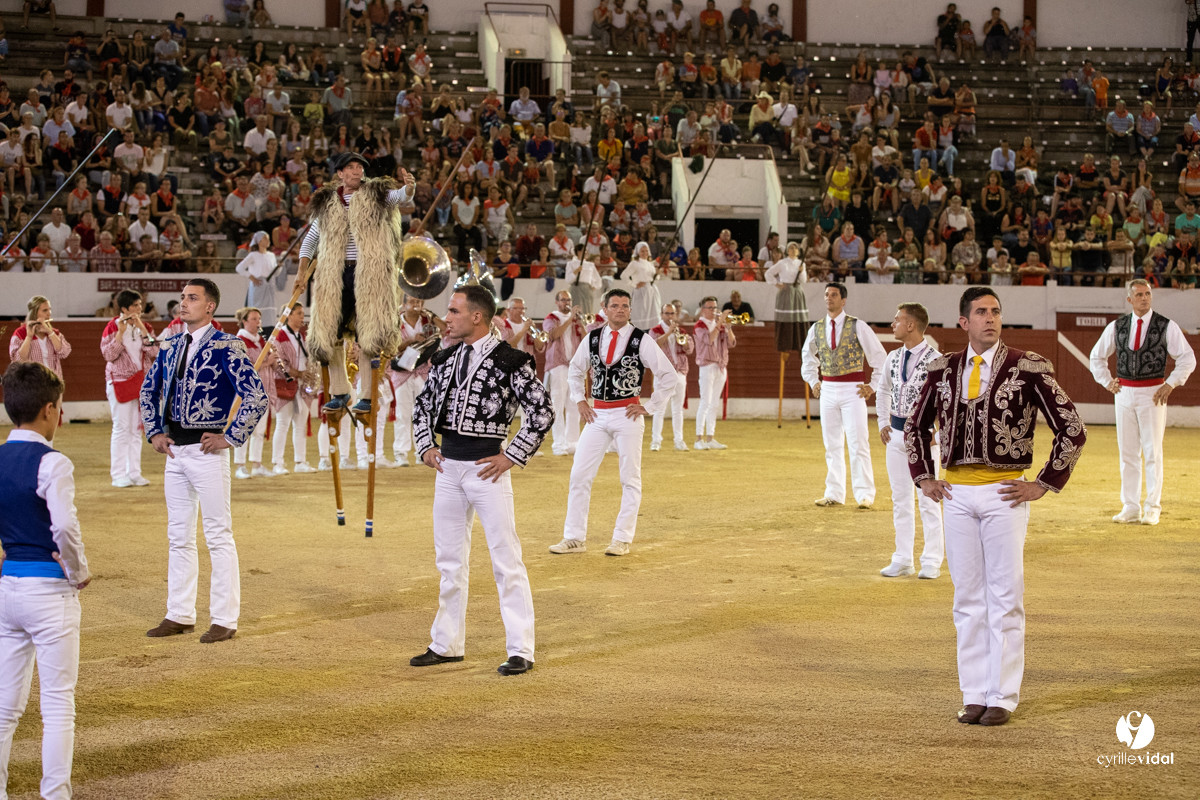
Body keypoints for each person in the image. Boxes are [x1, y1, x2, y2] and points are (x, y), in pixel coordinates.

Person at [907, 287, 1088, 727]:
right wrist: (924, 476)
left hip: (1005, 495)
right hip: (956, 496)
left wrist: (1043, 483)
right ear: (963, 322)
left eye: (996, 312)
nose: (990, 318)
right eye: (981, 312)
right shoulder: (943, 368)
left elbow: (1073, 429)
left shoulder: (1027, 367)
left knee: (1004, 596)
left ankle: (1002, 695)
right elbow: (914, 425)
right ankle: (973, 693)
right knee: (967, 598)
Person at [410, 284, 553, 676]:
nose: (447, 318)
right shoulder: (443, 357)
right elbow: (422, 405)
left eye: (454, 311)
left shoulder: (511, 360)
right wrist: (425, 445)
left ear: (477, 317)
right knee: (449, 561)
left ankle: (521, 648)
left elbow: (541, 412)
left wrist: (511, 455)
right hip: (448, 469)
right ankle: (446, 643)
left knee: (506, 561)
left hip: (487, 471)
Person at [140, 280, 267, 644]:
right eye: (182, 298)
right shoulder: (171, 345)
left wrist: (230, 436)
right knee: (178, 536)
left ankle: (225, 618)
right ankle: (179, 613)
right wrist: (154, 432)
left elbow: (255, 396)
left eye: (192, 298)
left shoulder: (227, 346)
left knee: (217, 535)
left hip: (207, 452)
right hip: (175, 453)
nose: (183, 303)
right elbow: (149, 390)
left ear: (210, 306)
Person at [0, 362, 90, 800]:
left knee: (2, 709)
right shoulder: (53, 462)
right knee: (57, 705)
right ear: (50, 410)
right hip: (50, 592)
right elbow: (64, 529)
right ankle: (55, 796)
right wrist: (78, 570)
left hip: (7, 588)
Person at [549, 289, 678, 556]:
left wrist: (650, 406)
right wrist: (580, 400)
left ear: (630, 311)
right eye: (615, 305)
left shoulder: (641, 340)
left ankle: (622, 538)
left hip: (627, 414)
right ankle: (574, 538)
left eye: (625, 306)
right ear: (604, 309)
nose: (620, 310)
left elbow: (668, 375)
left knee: (629, 477)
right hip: (596, 414)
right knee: (579, 475)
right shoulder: (593, 337)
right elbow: (575, 369)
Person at [296, 152, 413, 414]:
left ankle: (366, 396)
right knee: (331, 331)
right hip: (334, 274)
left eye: (360, 167)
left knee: (368, 334)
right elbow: (311, 237)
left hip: (368, 274)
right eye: (350, 167)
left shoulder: (375, 193)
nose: (356, 171)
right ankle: (340, 392)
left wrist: (408, 188)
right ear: (340, 173)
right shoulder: (328, 202)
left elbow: (399, 197)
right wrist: (301, 271)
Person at [1088, 279, 1196, 526]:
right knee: (1127, 452)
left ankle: (1153, 507)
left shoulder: (1166, 326)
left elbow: (1187, 358)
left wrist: (1171, 383)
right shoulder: (1118, 326)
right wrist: (1107, 382)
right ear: (1129, 300)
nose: (1144, 298)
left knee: (1152, 452)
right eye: (1139, 295)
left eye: (1147, 294)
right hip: (1124, 393)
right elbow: (1097, 356)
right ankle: (1131, 507)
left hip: (1153, 393)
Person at [801, 283, 886, 508]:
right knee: (832, 444)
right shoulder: (817, 327)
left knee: (858, 443)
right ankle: (834, 493)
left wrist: (873, 385)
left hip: (853, 390)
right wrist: (813, 381)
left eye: (834, 295)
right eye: (827, 295)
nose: (829, 298)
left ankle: (865, 495)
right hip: (828, 389)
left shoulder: (858, 326)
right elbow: (807, 356)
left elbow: (879, 358)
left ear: (843, 300)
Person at [876, 303, 943, 579]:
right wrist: (882, 422)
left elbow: (946, 400)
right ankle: (903, 558)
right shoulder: (892, 357)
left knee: (928, 500)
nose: (893, 324)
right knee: (900, 499)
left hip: (924, 439)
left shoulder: (937, 359)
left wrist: (940, 433)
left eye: (897, 320)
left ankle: (932, 560)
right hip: (895, 435)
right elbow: (882, 390)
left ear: (911, 325)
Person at [100, 290, 160, 488]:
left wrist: (142, 328)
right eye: (135, 305)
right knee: (121, 428)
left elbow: (155, 351)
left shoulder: (146, 327)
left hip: (141, 382)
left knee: (136, 429)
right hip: (119, 381)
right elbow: (108, 354)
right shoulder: (112, 326)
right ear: (124, 308)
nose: (139, 309)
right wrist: (120, 333)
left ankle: (134, 473)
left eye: (140, 305)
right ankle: (118, 475)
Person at [389, 296, 443, 467]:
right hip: (401, 374)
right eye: (412, 302)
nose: (415, 305)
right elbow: (391, 348)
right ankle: (401, 453)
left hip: (422, 374)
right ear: (403, 305)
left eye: (419, 302)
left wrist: (432, 315)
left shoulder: (428, 322)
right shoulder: (395, 323)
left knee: (423, 415)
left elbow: (444, 330)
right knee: (402, 415)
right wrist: (412, 341)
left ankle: (422, 451)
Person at [269, 304, 317, 474]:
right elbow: (278, 363)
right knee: (283, 423)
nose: (302, 317)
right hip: (286, 384)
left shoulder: (301, 335)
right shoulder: (280, 336)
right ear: (288, 316)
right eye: (299, 314)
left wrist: (307, 374)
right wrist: (298, 373)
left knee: (300, 424)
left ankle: (300, 461)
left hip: (302, 385)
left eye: (303, 313)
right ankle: (277, 463)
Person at [542, 290, 586, 456]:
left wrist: (581, 325)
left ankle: (572, 442)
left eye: (569, 299)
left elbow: (586, 339)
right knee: (557, 405)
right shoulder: (551, 318)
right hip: (557, 364)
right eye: (563, 300)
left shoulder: (575, 320)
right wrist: (570, 320)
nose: (566, 302)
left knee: (574, 404)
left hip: (573, 364)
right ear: (557, 302)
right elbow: (553, 335)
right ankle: (559, 444)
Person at [233, 307, 274, 480]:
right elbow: (242, 366)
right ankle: (240, 465)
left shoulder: (260, 341)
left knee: (259, 430)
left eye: (259, 319)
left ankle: (256, 463)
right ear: (245, 321)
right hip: (246, 391)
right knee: (244, 427)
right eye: (255, 319)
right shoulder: (239, 340)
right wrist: (267, 362)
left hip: (262, 389)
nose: (258, 322)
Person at [693, 295, 737, 450]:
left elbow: (732, 343)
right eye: (710, 308)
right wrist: (720, 322)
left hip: (720, 366)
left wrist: (729, 327)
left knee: (714, 404)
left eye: (715, 308)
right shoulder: (700, 325)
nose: (713, 310)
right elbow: (709, 340)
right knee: (705, 402)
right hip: (706, 367)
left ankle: (710, 437)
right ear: (703, 309)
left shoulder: (720, 325)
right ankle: (698, 439)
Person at [647, 302, 692, 451]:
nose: (669, 316)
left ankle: (679, 440)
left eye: (672, 313)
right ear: (661, 315)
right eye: (666, 313)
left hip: (679, 372)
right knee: (659, 409)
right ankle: (656, 441)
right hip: (663, 374)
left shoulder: (682, 331)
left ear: (675, 315)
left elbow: (690, 349)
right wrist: (668, 333)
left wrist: (682, 339)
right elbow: (653, 346)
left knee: (677, 409)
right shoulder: (655, 330)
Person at [10, 295, 71, 379]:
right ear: (34, 313)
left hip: (52, 383)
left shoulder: (54, 332)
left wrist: (50, 332)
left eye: (50, 309)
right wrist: (29, 337)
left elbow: (64, 353)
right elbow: (18, 360)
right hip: (31, 384)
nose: (49, 313)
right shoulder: (20, 333)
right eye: (45, 310)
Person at [765, 242, 808, 352]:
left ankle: (798, 344)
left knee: (798, 317)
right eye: (791, 248)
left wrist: (802, 272)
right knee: (786, 317)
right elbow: (768, 273)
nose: (793, 250)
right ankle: (785, 344)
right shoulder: (782, 263)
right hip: (786, 291)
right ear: (787, 251)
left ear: (798, 251)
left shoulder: (801, 263)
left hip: (797, 291)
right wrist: (777, 283)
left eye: (795, 248)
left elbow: (803, 280)